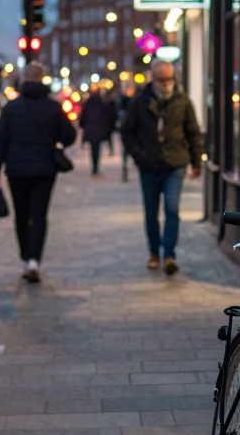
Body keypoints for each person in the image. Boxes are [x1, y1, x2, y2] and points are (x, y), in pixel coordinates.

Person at [0, 61, 75, 283]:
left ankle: (25, 254)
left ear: (24, 81)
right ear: (43, 80)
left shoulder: (11, 108)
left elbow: (0, 142)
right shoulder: (54, 107)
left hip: (16, 170)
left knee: (21, 214)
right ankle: (34, 259)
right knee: (39, 215)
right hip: (45, 169)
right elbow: (69, 136)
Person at [121, 60, 203, 275]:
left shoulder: (183, 101)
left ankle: (169, 254)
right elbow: (127, 132)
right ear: (153, 78)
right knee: (150, 213)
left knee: (172, 209)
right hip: (148, 165)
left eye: (169, 78)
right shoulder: (140, 102)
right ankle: (154, 253)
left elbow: (192, 131)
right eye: (161, 79)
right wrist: (138, 155)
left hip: (175, 163)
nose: (166, 83)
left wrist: (196, 162)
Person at [79, 87, 115, 176]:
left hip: (91, 130)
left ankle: (94, 166)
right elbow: (109, 116)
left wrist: (84, 126)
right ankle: (95, 166)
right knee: (97, 149)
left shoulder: (87, 104)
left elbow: (82, 118)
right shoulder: (102, 104)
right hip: (99, 130)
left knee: (93, 149)